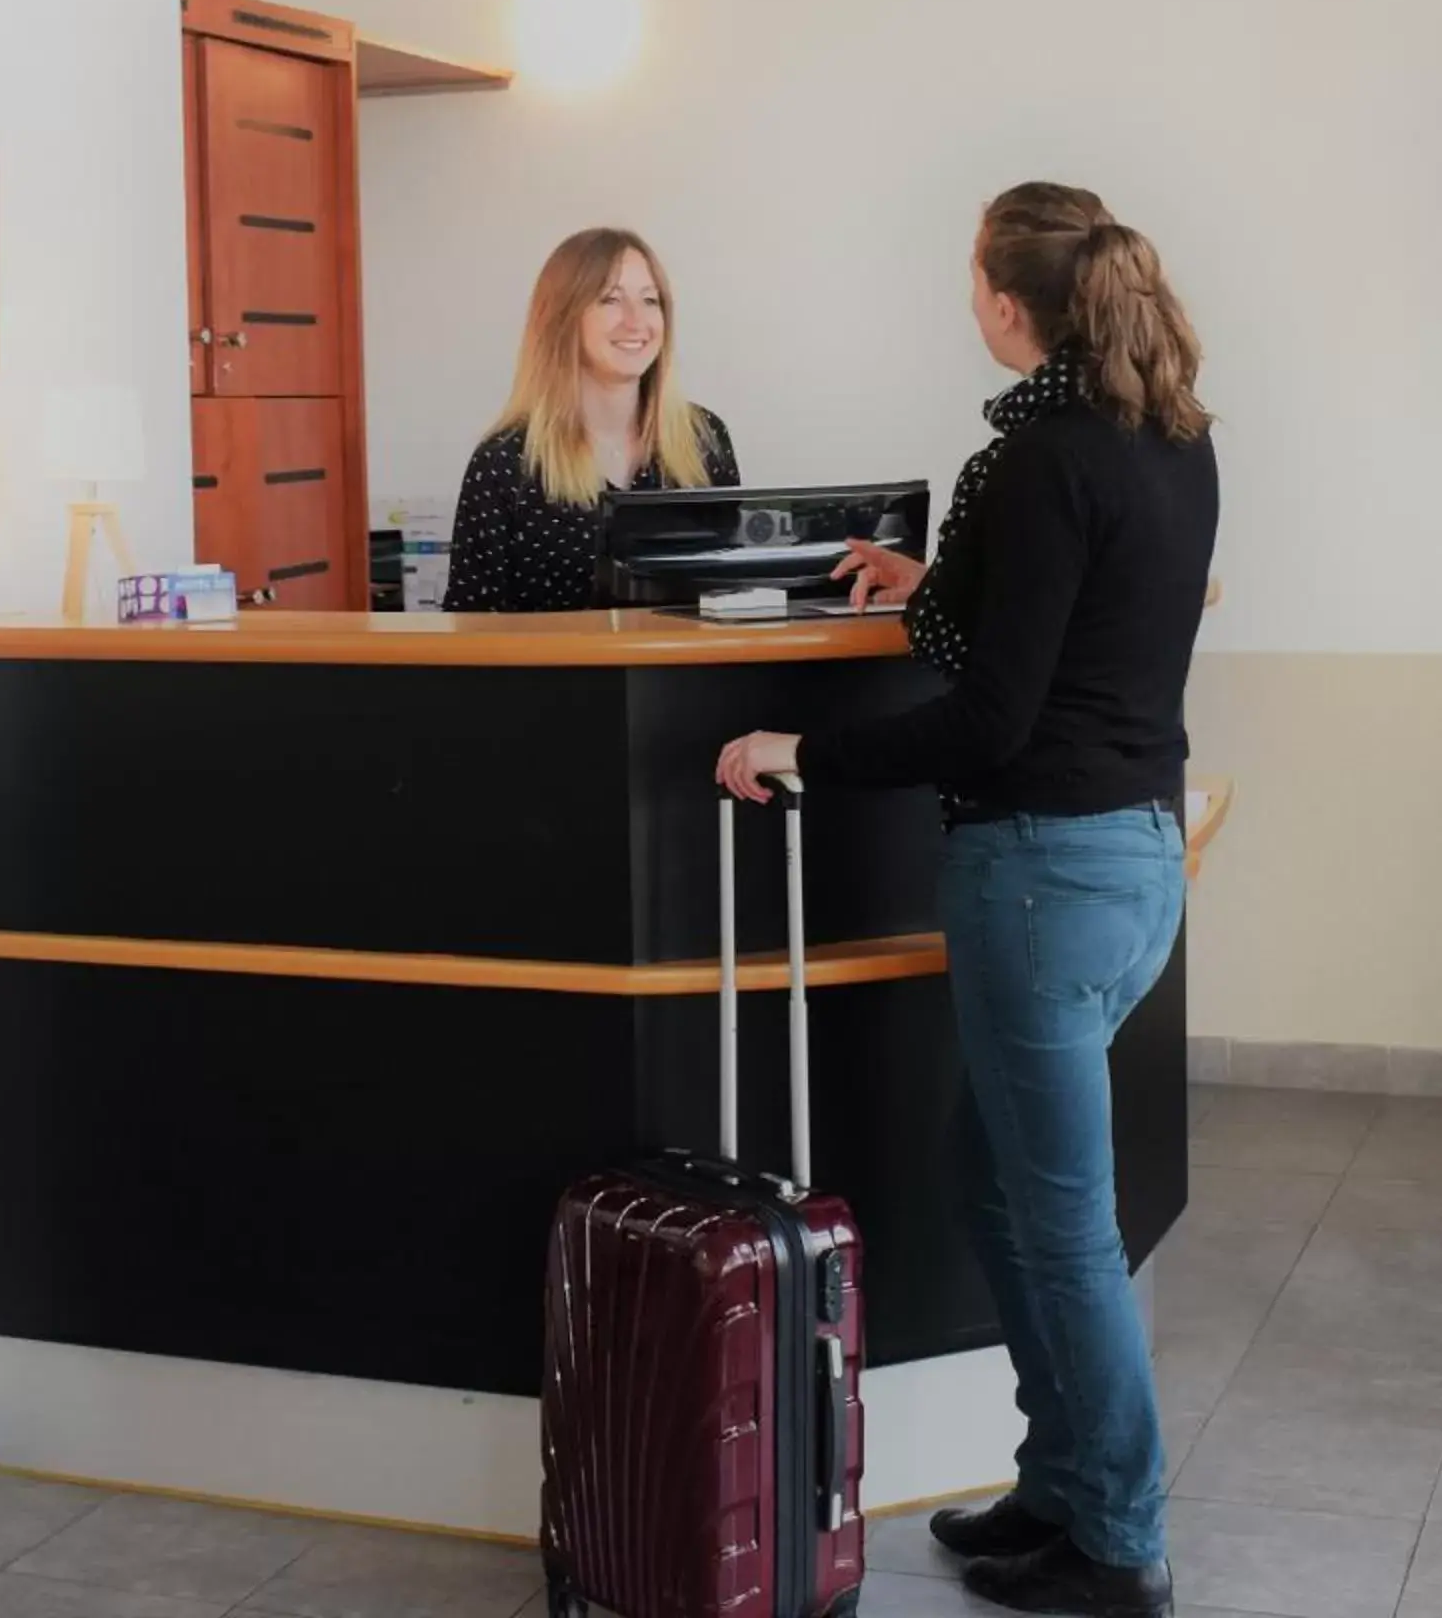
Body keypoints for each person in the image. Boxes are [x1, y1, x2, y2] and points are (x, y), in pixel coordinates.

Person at [717, 183, 1216, 1618]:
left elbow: (994, 714)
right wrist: (940, 579)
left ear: (1006, 300)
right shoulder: (1167, 441)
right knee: (993, 1185)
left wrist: (807, 754)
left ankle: (1119, 1543)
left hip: (1041, 874)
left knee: (1058, 1225)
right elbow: (1063, 630)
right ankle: (1061, 1487)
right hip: (1131, 864)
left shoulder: (1032, 460)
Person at [442, 228, 737, 613]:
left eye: (650, 300)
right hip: (559, 673)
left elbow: (736, 591)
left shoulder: (704, 438)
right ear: (563, 317)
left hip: (686, 673)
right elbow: (471, 623)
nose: (636, 321)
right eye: (610, 299)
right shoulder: (504, 460)